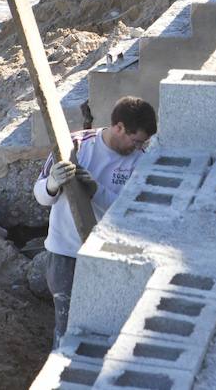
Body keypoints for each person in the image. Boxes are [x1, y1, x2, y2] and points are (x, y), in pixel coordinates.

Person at [34, 96, 157, 348]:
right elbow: (40, 197)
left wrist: (96, 191)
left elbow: (132, 215)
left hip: (108, 257)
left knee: (103, 328)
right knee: (67, 328)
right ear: (119, 127)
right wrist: (52, 183)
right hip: (65, 255)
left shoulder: (140, 162)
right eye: (135, 141)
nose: (138, 147)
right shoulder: (75, 146)